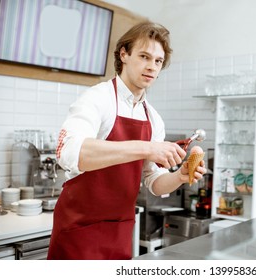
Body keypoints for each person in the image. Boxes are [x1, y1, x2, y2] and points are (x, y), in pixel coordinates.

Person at [47, 21, 206, 260]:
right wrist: (147, 147)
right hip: (79, 229)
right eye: (144, 56)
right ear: (124, 54)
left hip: (120, 230)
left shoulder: (153, 118)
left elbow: (152, 180)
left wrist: (179, 177)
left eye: (158, 61)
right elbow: (69, 152)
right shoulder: (97, 99)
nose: (151, 67)